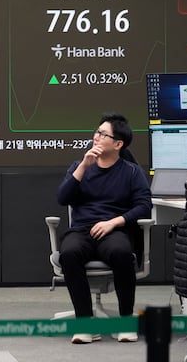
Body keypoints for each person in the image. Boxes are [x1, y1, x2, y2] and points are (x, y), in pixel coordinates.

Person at [57, 113, 152, 344]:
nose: (96, 137)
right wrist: (82, 167)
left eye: (103, 134)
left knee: (121, 253)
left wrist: (115, 221)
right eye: (97, 132)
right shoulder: (80, 166)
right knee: (68, 254)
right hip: (82, 230)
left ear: (118, 144)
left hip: (114, 229)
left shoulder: (130, 171)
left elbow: (144, 205)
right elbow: (62, 198)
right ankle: (85, 323)